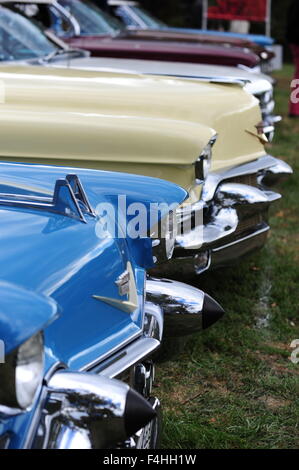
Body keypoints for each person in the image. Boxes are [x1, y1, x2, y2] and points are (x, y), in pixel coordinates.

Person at [287, 0, 299, 117]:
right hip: (296, 40)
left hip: (294, 40)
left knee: (297, 76)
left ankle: (294, 109)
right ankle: (295, 110)